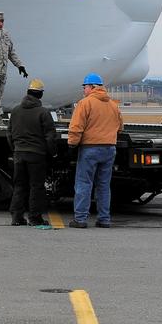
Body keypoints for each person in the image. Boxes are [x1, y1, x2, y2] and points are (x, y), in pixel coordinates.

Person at [67, 72, 123, 228]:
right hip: (109, 149)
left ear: (92, 87)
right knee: (104, 185)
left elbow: (76, 127)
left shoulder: (85, 103)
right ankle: (104, 219)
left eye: (85, 87)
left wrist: (72, 144)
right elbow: (120, 126)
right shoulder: (113, 105)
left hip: (90, 148)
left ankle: (80, 219)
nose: (84, 90)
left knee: (84, 184)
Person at [8, 79, 57, 226]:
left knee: (19, 186)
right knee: (36, 186)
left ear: (28, 92)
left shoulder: (15, 111)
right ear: (40, 94)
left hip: (19, 154)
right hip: (36, 155)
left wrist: (15, 149)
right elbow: (50, 136)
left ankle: (16, 217)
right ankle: (35, 218)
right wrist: (52, 153)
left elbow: (9, 133)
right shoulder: (43, 112)